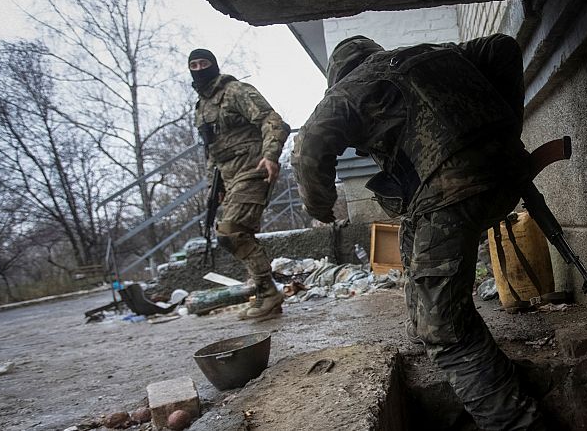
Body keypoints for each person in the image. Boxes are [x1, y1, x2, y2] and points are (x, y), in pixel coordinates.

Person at [291, 34, 545, 430]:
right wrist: (507, 125)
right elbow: (502, 47)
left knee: (448, 334)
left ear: (336, 75)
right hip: (509, 174)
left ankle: (517, 425)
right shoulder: (431, 54)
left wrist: (319, 206)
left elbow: (307, 146)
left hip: (453, 194)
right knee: (413, 223)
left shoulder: (347, 91)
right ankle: (421, 320)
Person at [189, 48, 289, 319]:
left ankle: (268, 294)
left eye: (204, 63)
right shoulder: (201, 107)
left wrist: (270, 156)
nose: (199, 68)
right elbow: (211, 150)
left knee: (231, 232)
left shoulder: (235, 91)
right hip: (228, 176)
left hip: (253, 167)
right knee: (240, 234)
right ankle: (267, 296)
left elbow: (273, 121)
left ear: (214, 65)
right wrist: (215, 185)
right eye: (194, 64)